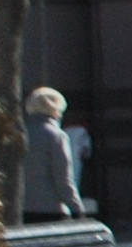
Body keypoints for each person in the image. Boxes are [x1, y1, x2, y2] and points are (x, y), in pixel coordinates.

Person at [21, 85, 91, 219]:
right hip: (51, 210)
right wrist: (77, 209)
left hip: (23, 209)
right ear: (56, 109)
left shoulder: (21, 133)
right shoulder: (56, 136)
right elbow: (63, 179)